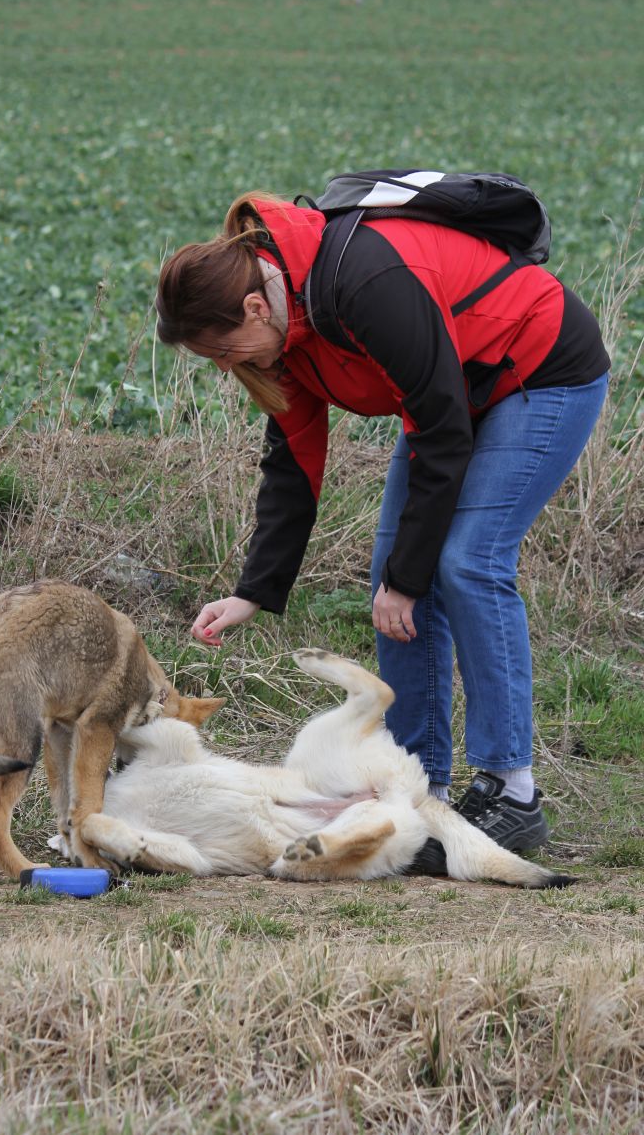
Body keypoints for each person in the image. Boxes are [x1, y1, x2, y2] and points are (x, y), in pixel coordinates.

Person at [155, 190, 610, 868]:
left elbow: (443, 431)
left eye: (223, 350)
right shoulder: (287, 333)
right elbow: (292, 466)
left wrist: (409, 577)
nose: (226, 367)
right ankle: (420, 790)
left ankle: (512, 794)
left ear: (254, 306)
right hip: (454, 395)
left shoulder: (362, 283)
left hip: (540, 370)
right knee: (393, 582)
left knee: (466, 563)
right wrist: (254, 590)